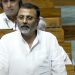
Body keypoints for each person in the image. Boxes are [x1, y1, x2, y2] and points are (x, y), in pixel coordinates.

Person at [0, 3, 68, 75]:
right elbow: (2, 70)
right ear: (17, 20)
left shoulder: (49, 39)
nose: (24, 21)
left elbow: (59, 70)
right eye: (21, 17)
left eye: (29, 18)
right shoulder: (6, 40)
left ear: (37, 21)